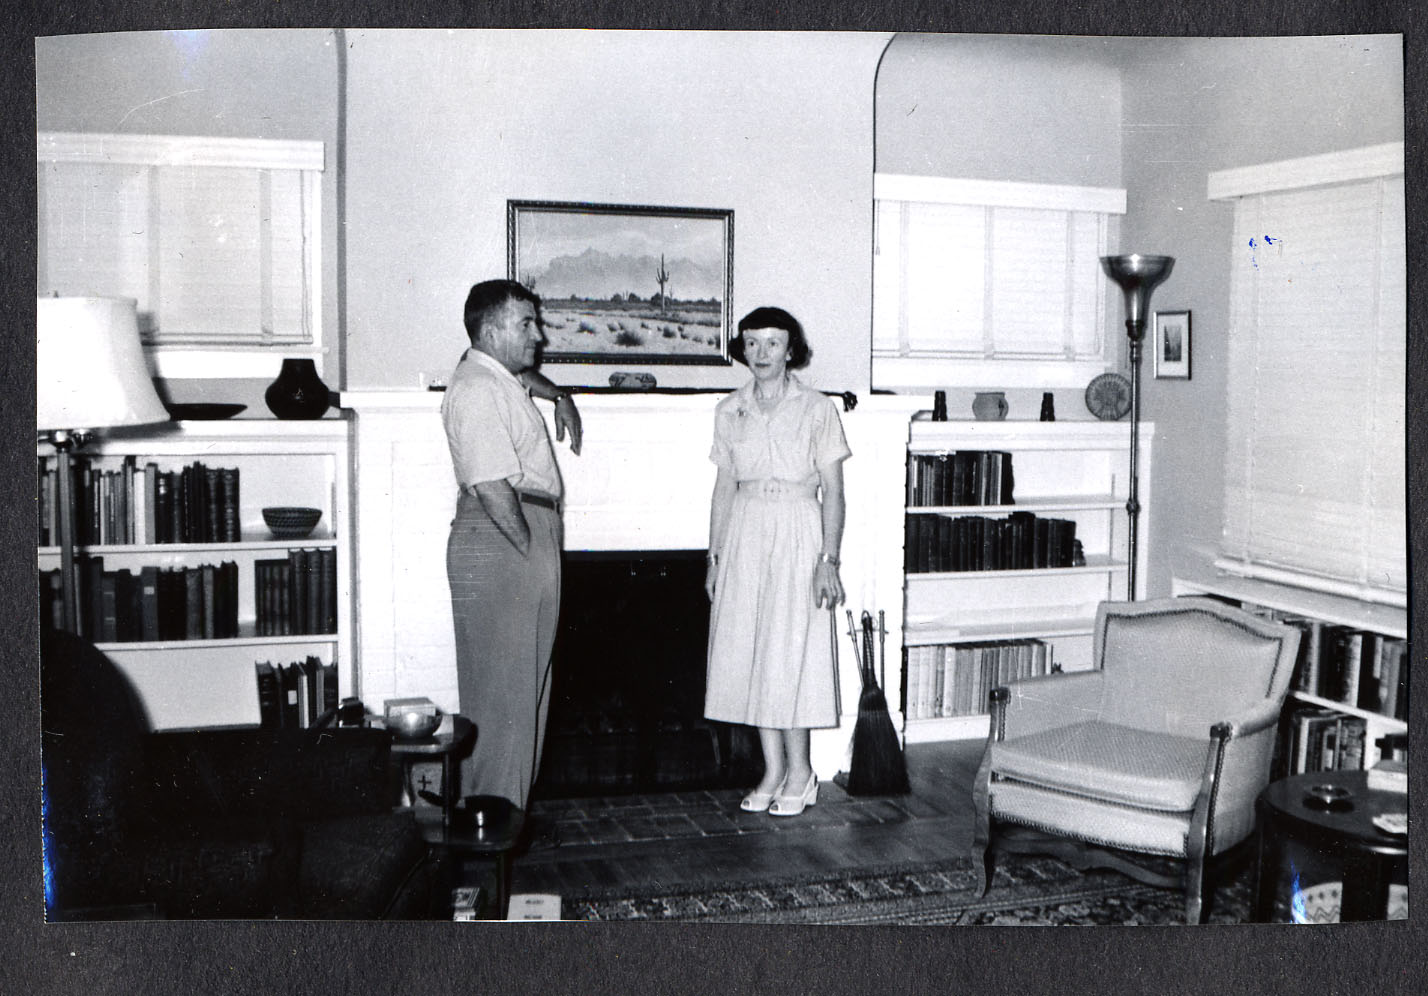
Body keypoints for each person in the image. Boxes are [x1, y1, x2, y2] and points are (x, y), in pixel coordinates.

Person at [441, 279, 582, 815]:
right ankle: (490, 830)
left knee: (522, 699)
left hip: (520, 531)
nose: (539, 334)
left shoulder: (493, 375)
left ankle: (503, 821)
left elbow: (524, 376)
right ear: (492, 328)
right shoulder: (476, 388)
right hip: (506, 533)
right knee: (505, 700)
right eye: (527, 323)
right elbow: (490, 484)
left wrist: (560, 395)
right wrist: (528, 551)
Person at [704, 306, 850, 817]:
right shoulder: (729, 410)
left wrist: (828, 559)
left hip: (797, 528)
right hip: (745, 528)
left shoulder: (817, 409)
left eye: (772, 343)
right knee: (752, 651)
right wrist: (714, 555)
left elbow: (833, 491)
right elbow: (723, 487)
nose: (761, 353)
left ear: (791, 349)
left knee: (791, 652)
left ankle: (803, 772)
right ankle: (772, 770)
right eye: (751, 343)